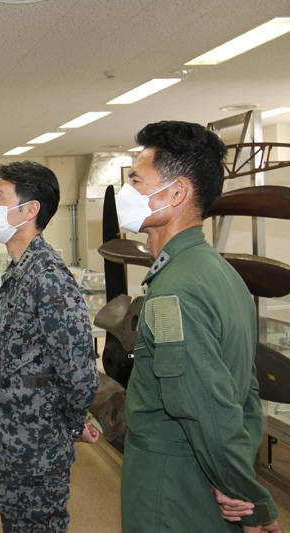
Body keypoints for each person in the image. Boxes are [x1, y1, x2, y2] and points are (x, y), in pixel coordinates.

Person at [118, 121, 281, 532]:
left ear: (176, 193)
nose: (126, 191)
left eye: (136, 179)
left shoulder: (178, 290)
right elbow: (244, 392)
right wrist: (237, 476)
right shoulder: (218, 272)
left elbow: (204, 406)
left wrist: (246, 498)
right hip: (205, 477)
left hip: (173, 490)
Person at [0, 161, 99, 532]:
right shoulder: (18, 270)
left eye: (0, 197)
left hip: (37, 445)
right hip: (9, 439)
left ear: (30, 210)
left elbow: (79, 370)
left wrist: (73, 422)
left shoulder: (48, 276)